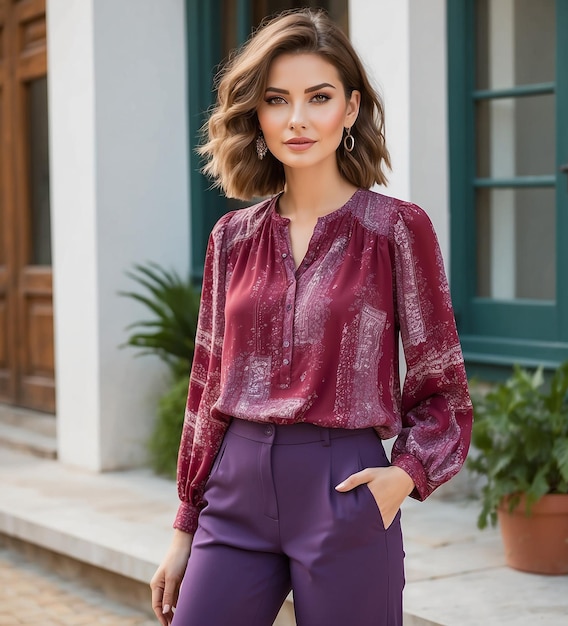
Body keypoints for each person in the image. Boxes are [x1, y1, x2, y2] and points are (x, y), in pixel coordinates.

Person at [150, 8, 473, 626]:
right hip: (235, 490)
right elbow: (206, 385)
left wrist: (402, 477)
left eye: (318, 97)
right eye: (277, 100)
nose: (296, 120)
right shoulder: (232, 237)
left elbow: (444, 391)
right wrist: (185, 525)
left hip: (343, 488)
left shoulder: (398, 230)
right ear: (258, 113)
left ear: (350, 108)